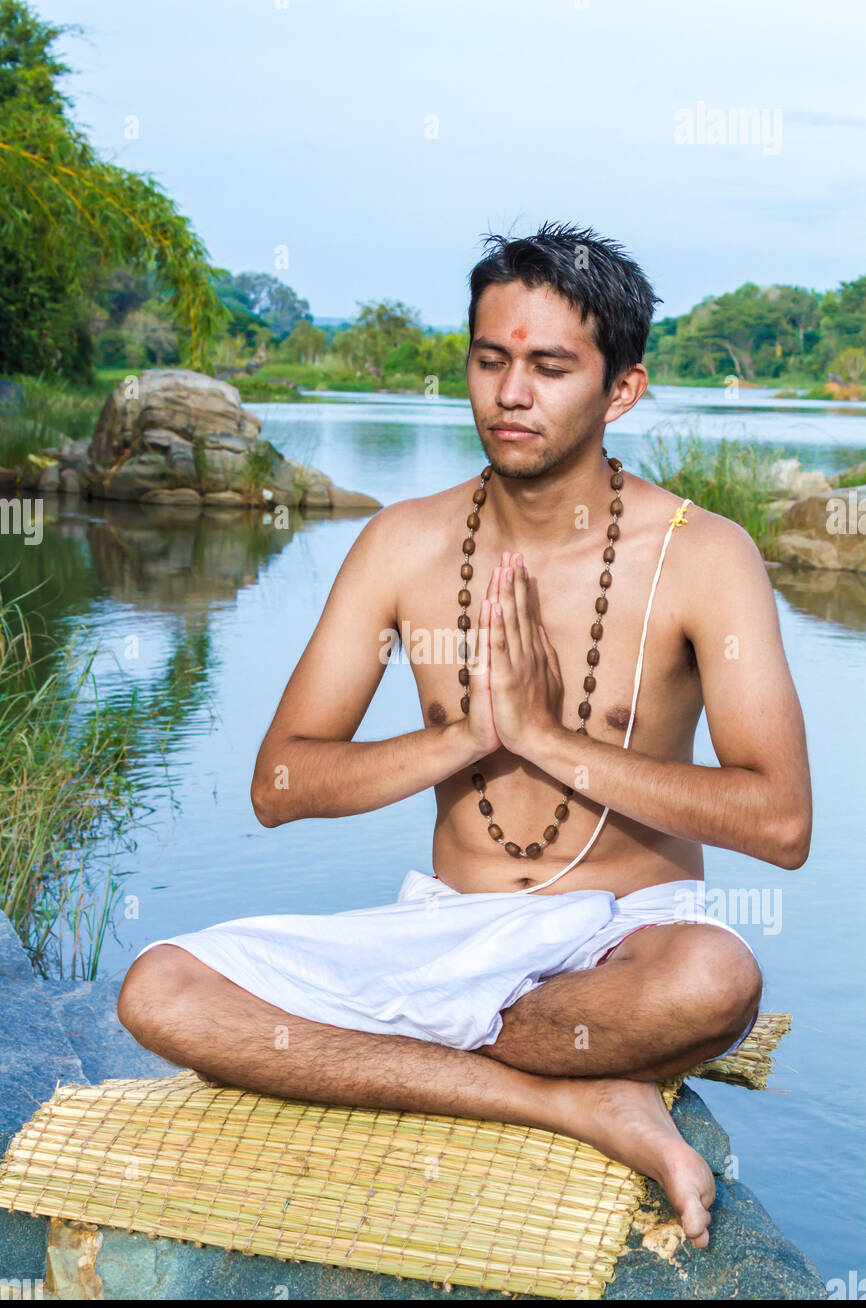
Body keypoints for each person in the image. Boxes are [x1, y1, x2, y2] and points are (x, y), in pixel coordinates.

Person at [118, 223, 812, 1249]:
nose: (509, 393)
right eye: (489, 360)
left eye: (547, 366)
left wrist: (540, 735)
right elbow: (277, 782)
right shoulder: (401, 542)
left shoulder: (705, 556)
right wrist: (458, 739)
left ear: (621, 390)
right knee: (159, 989)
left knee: (716, 980)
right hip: (447, 932)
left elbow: (781, 820)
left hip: (623, 938)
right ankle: (561, 1097)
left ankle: (425, 1052)